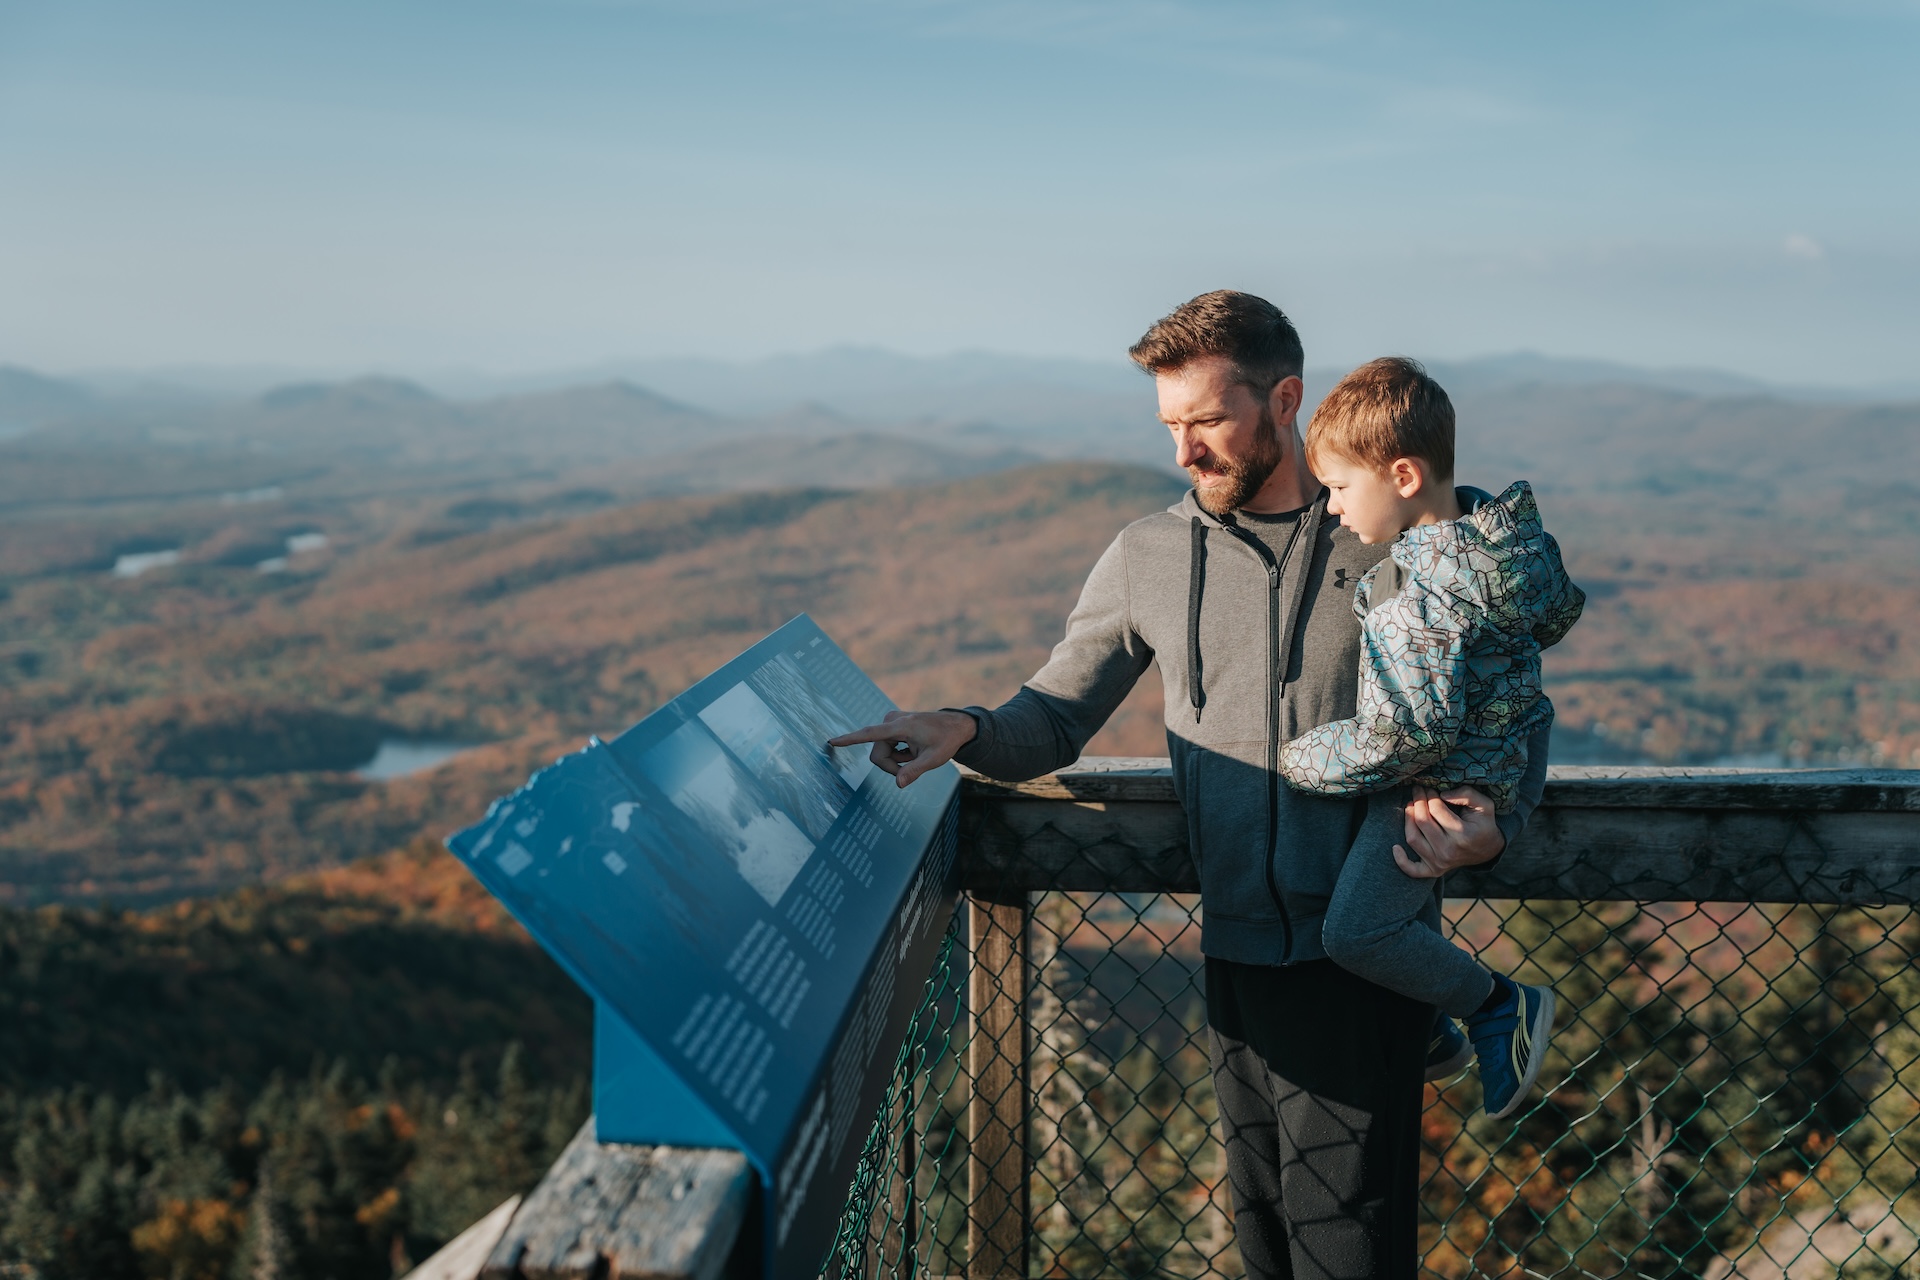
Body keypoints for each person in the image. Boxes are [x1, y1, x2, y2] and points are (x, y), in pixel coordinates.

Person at [829, 290, 1550, 1280]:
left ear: (1284, 399)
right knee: (1262, 1244)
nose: (1184, 451)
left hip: (1357, 964)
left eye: (1207, 420)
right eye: (1171, 425)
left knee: (1346, 1250)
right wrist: (963, 727)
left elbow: (1509, 689)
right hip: (1231, 957)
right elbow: (1056, 710)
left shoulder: (1389, 534)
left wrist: (1496, 826)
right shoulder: (1150, 554)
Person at [1279, 356, 1583, 1122]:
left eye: (1343, 487)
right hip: (1511, 761)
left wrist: (1298, 758)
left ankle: (1497, 1006)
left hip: (1434, 791)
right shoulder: (1497, 553)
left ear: (1404, 476)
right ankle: (1431, 1035)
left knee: (1357, 932)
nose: (1335, 507)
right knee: (1402, 923)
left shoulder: (1416, 595)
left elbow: (1407, 733)